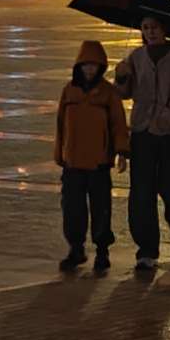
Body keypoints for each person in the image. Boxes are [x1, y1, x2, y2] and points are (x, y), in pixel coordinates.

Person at [113, 15, 170, 272]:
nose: (150, 32)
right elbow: (122, 93)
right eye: (145, 28)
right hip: (142, 133)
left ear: (164, 28)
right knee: (141, 192)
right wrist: (121, 77)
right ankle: (147, 250)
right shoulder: (136, 57)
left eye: (154, 27)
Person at [54, 40, 130, 272]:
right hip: (73, 161)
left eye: (94, 65)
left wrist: (122, 152)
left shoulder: (108, 93)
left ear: (101, 67)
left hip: (99, 162)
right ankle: (76, 248)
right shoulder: (69, 90)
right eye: (86, 64)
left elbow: (118, 124)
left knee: (101, 208)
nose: (89, 69)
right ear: (79, 66)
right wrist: (59, 154)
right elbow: (60, 125)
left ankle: (102, 250)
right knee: (72, 208)